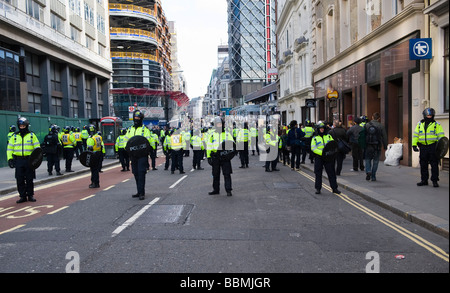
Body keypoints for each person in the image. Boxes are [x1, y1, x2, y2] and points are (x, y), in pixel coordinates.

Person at [7, 117, 40, 203]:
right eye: (20, 126)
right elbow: (9, 149)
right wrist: (10, 159)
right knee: (19, 179)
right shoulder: (14, 136)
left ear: (27, 125)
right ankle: (22, 196)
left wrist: (36, 160)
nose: (22, 127)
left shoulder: (32, 135)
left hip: (29, 160)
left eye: (23, 126)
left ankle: (30, 195)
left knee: (29, 179)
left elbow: (37, 148)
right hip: (18, 160)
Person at [412, 108, 445, 187]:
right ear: (424, 115)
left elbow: (441, 136)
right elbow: (416, 135)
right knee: (423, 164)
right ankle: (424, 180)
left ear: (433, 115)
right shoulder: (419, 124)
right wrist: (414, 145)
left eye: (430, 115)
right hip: (423, 147)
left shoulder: (436, 125)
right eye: (428, 115)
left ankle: (434, 180)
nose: (429, 117)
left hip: (433, 147)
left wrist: (441, 146)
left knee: (434, 164)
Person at [124, 110, 152, 200]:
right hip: (133, 155)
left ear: (141, 119)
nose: (136, 120)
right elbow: (126, 141)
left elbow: (149, 142)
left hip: (142, 155)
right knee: (135, 173)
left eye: (138, 118)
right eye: (135, 118)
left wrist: (149, 151)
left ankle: (142, 193)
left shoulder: (145, 130)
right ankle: (138, 191)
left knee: (141, 173)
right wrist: (126, 148)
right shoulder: (130, 129)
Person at [206, 117, 235, 196]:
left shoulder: (227, 134)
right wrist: (208, 157)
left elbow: (232, 144)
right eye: (218, 124)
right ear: (215, 125)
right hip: (215, 157)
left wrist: (230, 154)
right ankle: (216, 190)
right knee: (215, 174)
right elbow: (209, 147)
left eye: (221, 124)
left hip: (225, 157)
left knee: (227, 174)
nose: (219, 125)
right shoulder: (212, 135)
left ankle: (228, 190)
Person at [311, 122, 341, 195]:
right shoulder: (315, 138)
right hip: (319, 157)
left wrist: (331, 152)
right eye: (320, 128)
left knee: (331, 173)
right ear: (318, 129)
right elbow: (313, 148)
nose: (322, 129)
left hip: (328, 157)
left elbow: (332, 145)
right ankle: (318, 188)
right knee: (318, 173)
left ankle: (334, 188)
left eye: (323, 128)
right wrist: (322, 153)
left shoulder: (328, 136)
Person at [364, 112, 387, 182]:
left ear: (372, 117)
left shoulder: (367, 125)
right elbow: (384, 137)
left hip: (368, 145)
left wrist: (363, 145)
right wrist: (385, 146)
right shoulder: (381, 126)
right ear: (379, 118)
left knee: (367, 159)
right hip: (377, 146)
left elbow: (363, 135)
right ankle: (373, 176)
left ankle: (368, 171)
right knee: (376, 161)